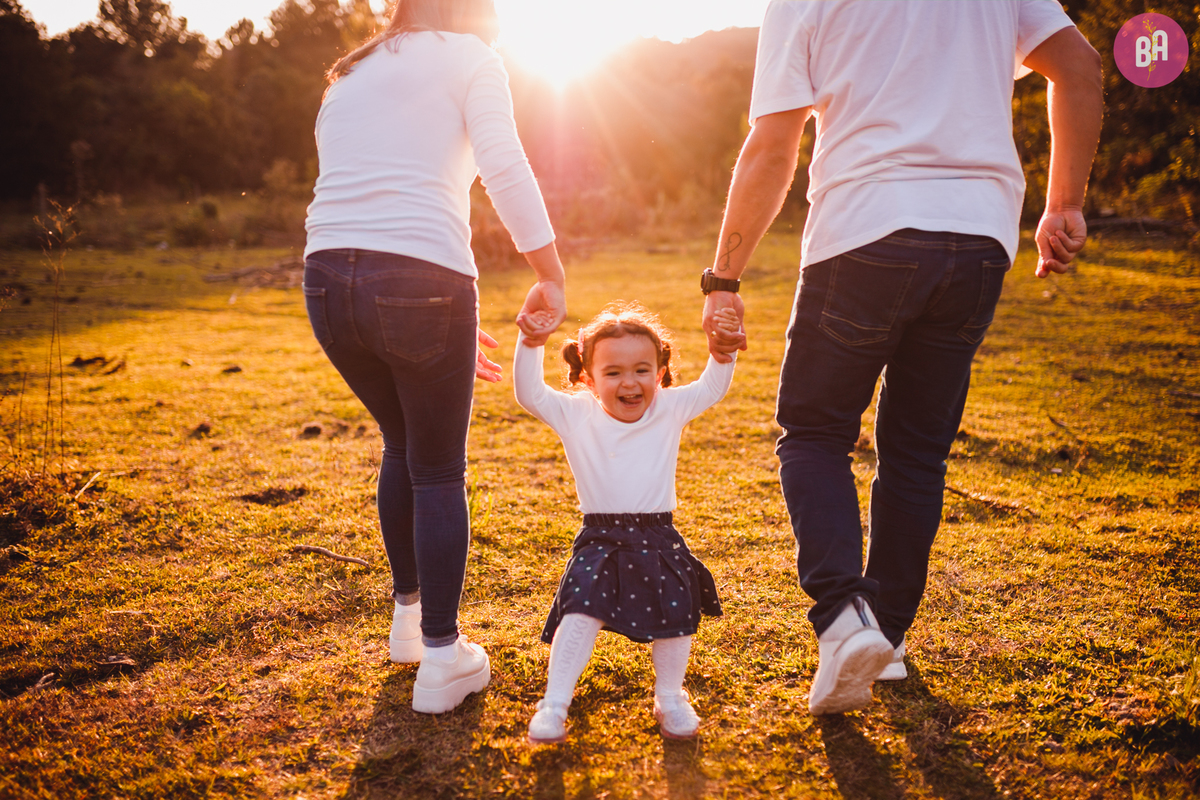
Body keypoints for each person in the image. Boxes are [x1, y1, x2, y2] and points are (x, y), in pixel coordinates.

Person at [702, 1, 1103, 715]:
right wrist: (1063, 203)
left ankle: (841, 621)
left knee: (816, 431)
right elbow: (1077, 65)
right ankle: (883, 640)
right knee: (916, 453)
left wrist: (724, 278)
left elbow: (773, 146)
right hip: (979, 239)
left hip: (866, 229)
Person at [302, 0, 568, 715]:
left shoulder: (348, 72)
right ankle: (445, 656)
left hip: (327, 283)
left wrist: (422, 314)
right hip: (422, 277)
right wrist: (549, 270)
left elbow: (368, 179)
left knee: (403, 444)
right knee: (439, 467)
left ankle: (408, 625)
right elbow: (503, 163)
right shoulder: (471, 58)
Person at [513, 303, 739, 743]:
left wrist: (722, 351)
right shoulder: (577, 413)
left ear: (660, 372)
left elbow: (713, 387)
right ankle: (554, 705)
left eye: (641, 369)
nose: (629, 382)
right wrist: (531, 342)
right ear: (587, 378)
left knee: (677, 615)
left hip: (658, 533)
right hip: (601, 536)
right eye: (613, 372)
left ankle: (670, 697)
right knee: (578, 611)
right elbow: (530, 394)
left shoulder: (670, 408)